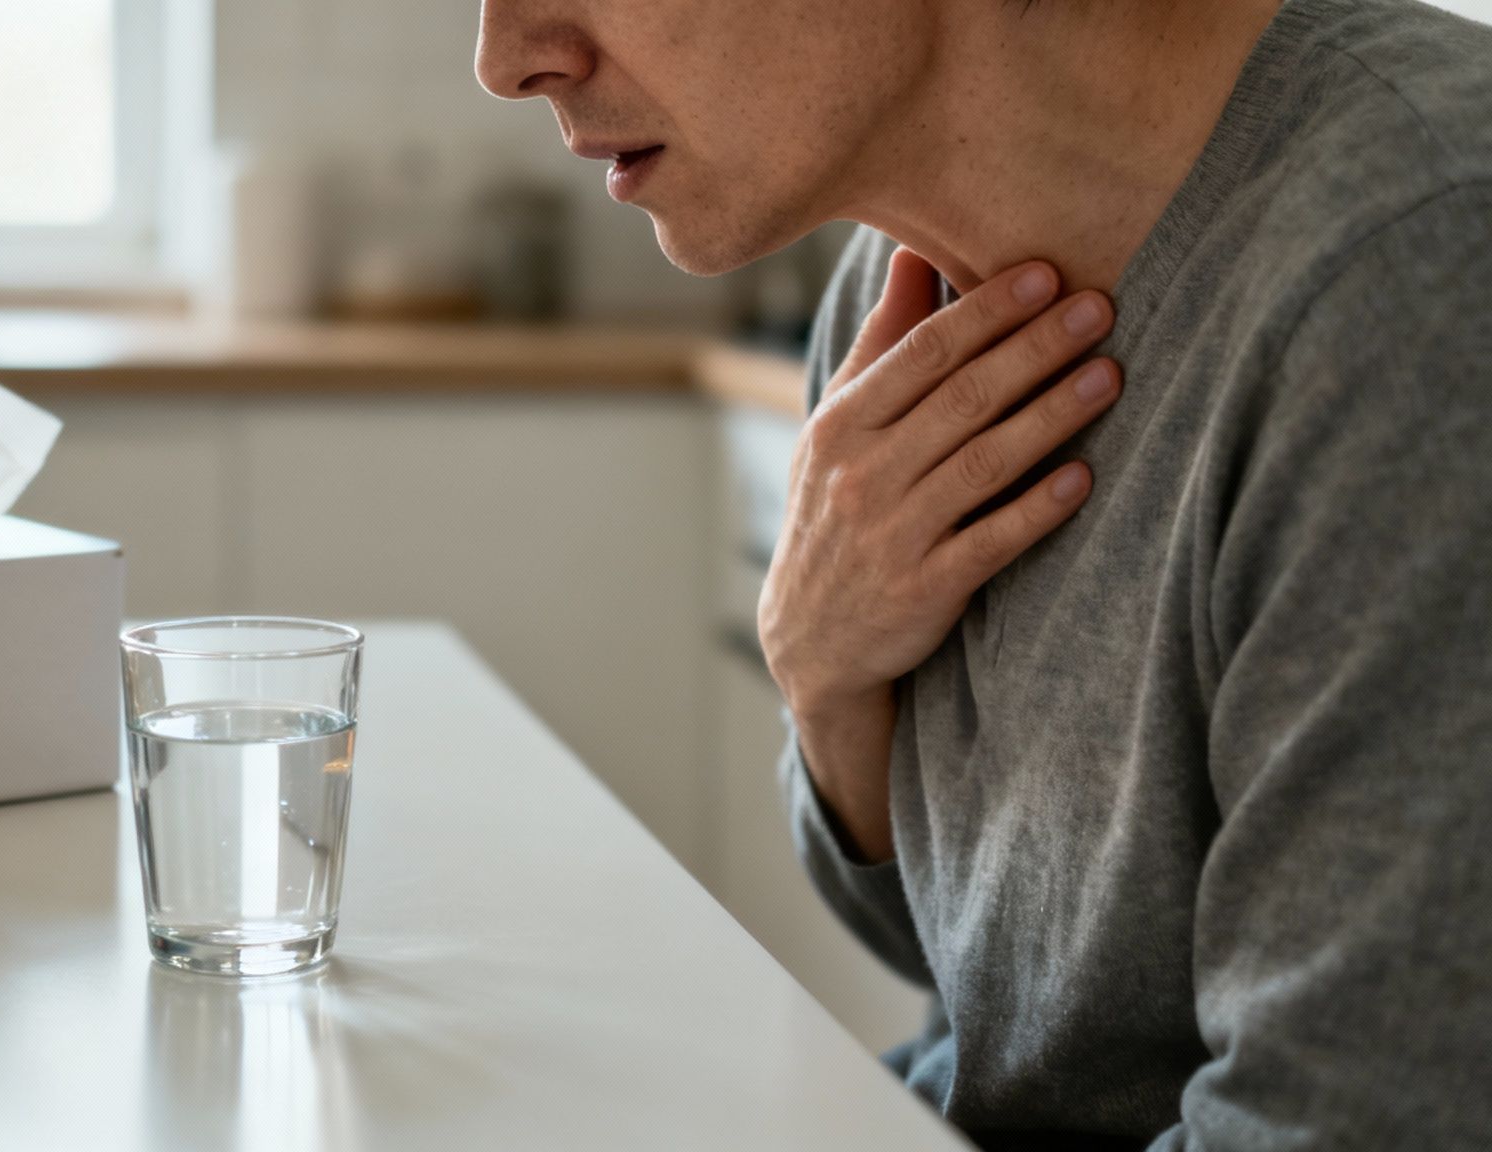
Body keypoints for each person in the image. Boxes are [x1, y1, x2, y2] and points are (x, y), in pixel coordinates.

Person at [476, 0, 1492, 1148]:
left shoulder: (1421, 278)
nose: (507, 59)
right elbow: (985, 989)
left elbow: (1348, 1122)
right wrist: (826, 684)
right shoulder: (896, 301)